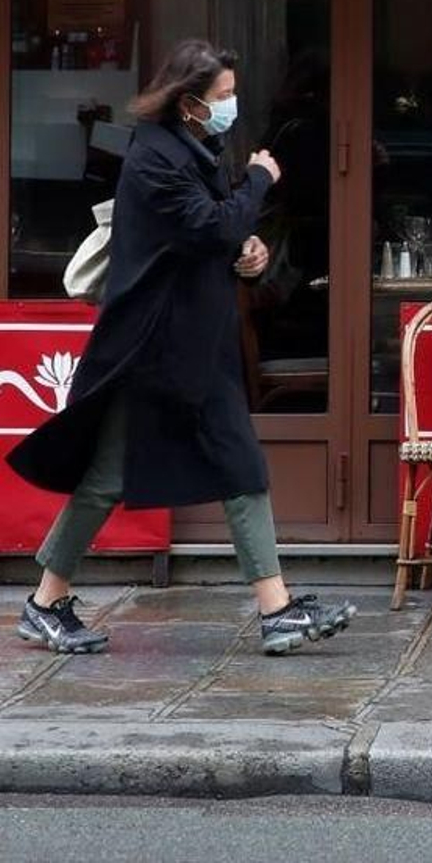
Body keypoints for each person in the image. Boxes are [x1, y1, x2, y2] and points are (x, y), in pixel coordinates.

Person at [6, 40, 355, 656]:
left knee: (240, 466)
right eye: (223, 97)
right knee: (110, 477)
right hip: (153, 346)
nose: (231, 106)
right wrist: (257, 179)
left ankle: (276, 610)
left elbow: (214, 232)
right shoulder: (156, 156)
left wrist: (247, 251)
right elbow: (210, 224)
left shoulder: (192, 147)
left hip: (195, 346)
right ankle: (44, 600)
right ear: (190, 102)